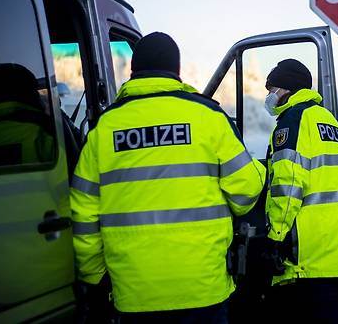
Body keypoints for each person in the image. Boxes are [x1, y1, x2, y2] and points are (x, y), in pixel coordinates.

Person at [70, 32, 265, 323]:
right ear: (177, 71)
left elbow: (83, 215)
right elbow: (246, 194)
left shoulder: (104, 129)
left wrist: (96, 275)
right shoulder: (208, 118)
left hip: (135, 294)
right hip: (203, 289)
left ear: (133, 71)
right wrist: (260, 169)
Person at [262, 59, 338, 324]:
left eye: (272, 89)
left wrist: (275, 239)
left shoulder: (292, 121)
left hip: (311, 260)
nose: (269, 96)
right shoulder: (330, 122)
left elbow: (288, 184)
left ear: (287, 90)